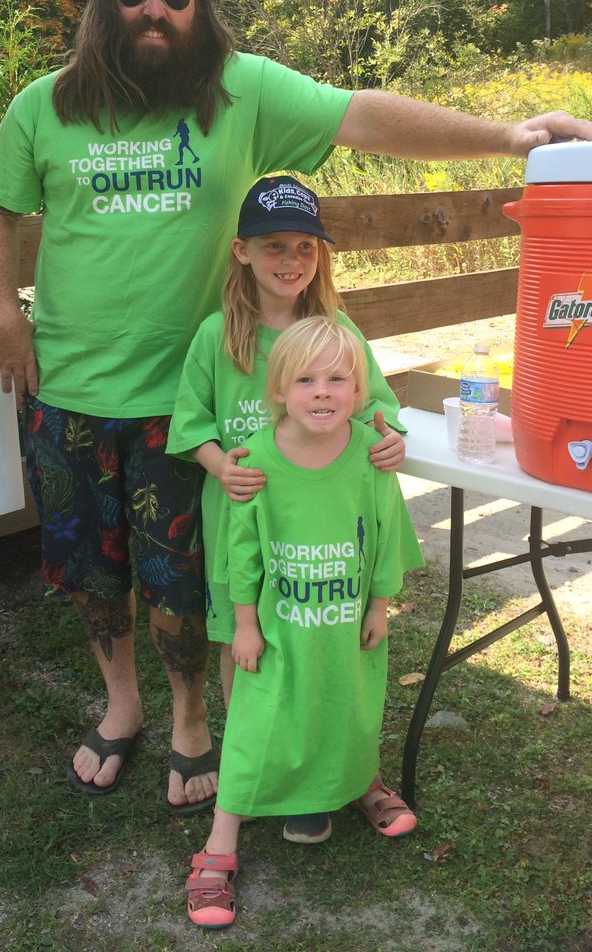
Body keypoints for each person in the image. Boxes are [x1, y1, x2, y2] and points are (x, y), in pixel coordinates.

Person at [0, 0, 592, 813]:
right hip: (66, 390)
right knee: (90, 575)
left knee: (181, 581)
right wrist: (2, 314)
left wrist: (510, 138)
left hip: (178, 401)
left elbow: (365, 115)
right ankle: (121, 707)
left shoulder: (239, 91)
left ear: (199, 5)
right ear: (106, 3)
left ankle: (191, 720)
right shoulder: (48, 103)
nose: (156, 8)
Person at [184, 317, 425, 928]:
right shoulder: (255, 460)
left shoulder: (371, 458)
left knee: (351, 702)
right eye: (307, 379)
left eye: (338, 378)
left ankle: (359, 782)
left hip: (347, 622)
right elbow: (244, 551)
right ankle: (218, 850)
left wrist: (378, 604)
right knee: (254, 726)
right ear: (279, 391)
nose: (323, 391)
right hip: (278, 629)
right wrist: (244, 624)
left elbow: (387, 531)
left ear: (361, 390)